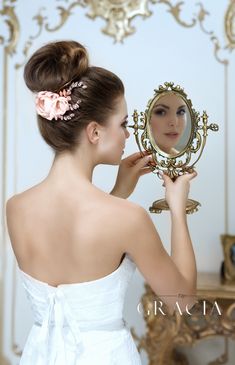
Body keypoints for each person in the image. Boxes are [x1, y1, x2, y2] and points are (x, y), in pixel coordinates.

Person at [6, 40, 197, 365]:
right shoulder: (127, 219)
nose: (127, 135)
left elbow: (77, 254)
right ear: (94, 132)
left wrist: (118, 192)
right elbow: (182, 301)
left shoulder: (16, 208)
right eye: (123, 124)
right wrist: (177, 210)